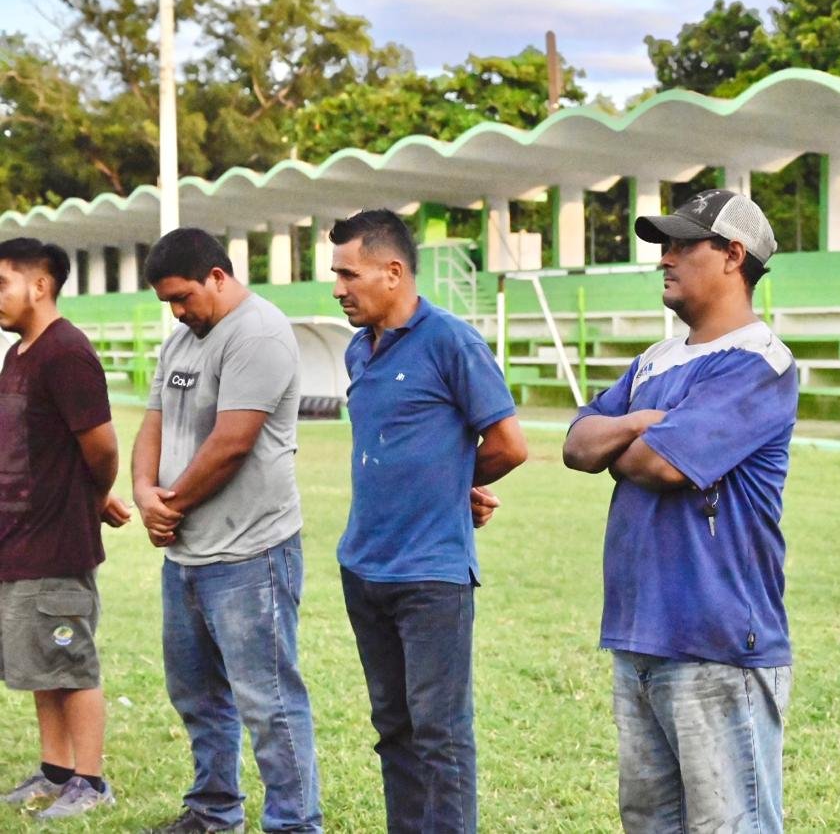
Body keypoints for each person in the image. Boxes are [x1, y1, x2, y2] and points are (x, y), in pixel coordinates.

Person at [563, 189, 799, 833]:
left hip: (718, 644)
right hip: (639, 635)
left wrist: (627, 439)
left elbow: (659, 466)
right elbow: (577, 445)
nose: (664, 258)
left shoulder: (761, 363)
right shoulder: (654, 361)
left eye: (681, 245)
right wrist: (642, 421)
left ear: (733, 255)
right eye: (663, 246)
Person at [329, 209, 527, 834]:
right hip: (363, 568)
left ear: (393, 272)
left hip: (430, 577)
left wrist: (454, 485)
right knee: (393, 728)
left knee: (439, 734)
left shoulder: (451, 341)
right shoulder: (358, 350)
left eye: (348, 274)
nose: (337, 289)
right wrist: (451, 482)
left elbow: (509, 445)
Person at [131, 228, 321, 834]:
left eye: (182, 297)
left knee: (269, 703)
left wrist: (171, 505)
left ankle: (295, 824)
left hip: (251, 554)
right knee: (198, 697)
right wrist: (144, 493)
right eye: (167, 302)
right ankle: (213, 811)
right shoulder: (180, 342)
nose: (176, 312)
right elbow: (153, 423)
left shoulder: (258, 333)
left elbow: (233, 441)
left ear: (217, 276)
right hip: (187, 555)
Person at [0, 238, 130, 820]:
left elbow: (102, 448)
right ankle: (55, 771)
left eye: (2, 283)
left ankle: (91, 781)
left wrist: (92, 499)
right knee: (40, 667)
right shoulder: (19, 355)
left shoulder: (66, 353)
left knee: (70, 663)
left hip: (56, 545)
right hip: (19, 542)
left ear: (40, 285)